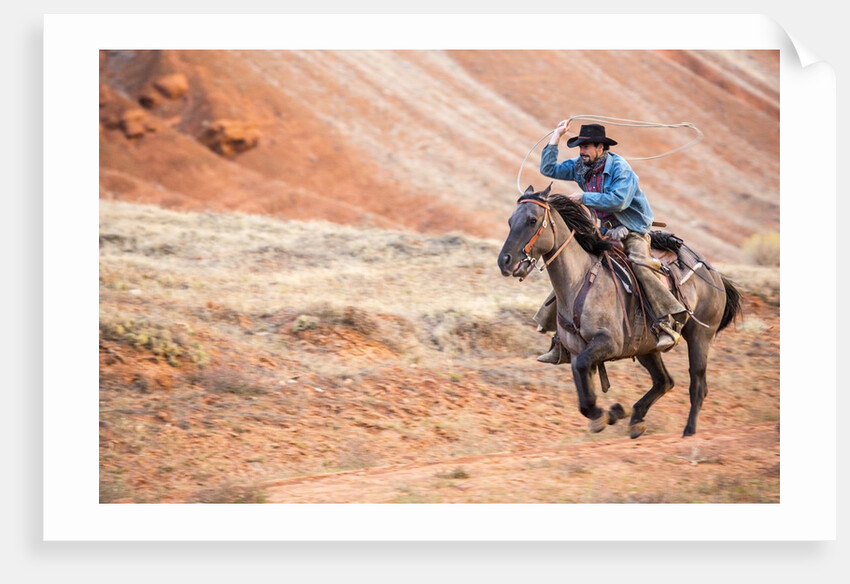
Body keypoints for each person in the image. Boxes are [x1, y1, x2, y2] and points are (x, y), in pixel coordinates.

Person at [535, 122, 687, 364]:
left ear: (600, 147)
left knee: (639, 264)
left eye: (586, 146)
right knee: (572, 268)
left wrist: (583, 197)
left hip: (633, 229)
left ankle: (667, 321)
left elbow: (619, 201)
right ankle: (560, 340)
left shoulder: (620, 168)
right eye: (579, 146)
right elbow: (548, 167)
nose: (581, 151)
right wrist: (555, 137)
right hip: (604, 230)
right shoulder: (579, 167)